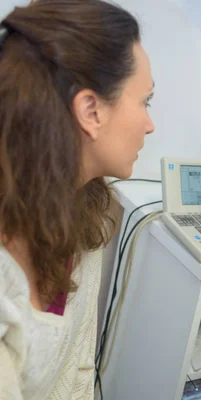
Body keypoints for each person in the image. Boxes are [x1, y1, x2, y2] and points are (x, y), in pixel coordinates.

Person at [0, 1, 154, 398]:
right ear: (90, 110)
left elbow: (78, 365)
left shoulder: (87, 207)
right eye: (144, 101)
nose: (150, 125)